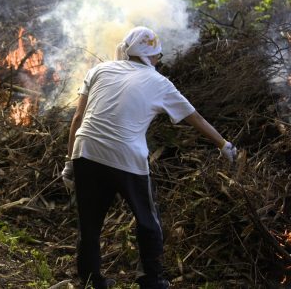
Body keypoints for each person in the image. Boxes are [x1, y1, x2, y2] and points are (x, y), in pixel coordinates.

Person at [61, 26, 237, 289]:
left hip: (86, 151)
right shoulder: (160, 83)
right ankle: (151, 280)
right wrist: (223, 144)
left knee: (89, 221)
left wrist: (69, 162)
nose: (157, 61)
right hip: (126, 157)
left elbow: (78, 119)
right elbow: (195, 118)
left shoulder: (100, 70)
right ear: (150, 56)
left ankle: (91, 279)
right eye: (157, 56)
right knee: (147, 220)